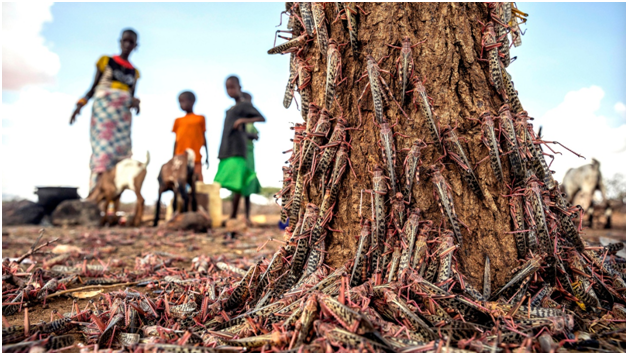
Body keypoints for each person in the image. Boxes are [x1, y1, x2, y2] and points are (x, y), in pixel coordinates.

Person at [70, 28, 141, 193]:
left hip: (122, 118)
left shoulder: (134, 72)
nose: (128, 44)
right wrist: (79, 105)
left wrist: (135, 102)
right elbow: (93, 87)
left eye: (131, 42)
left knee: (121, 156)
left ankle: (111, 200)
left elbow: (131, 95)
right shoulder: (106, 61)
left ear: (135, 45)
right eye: (125, 40)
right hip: (104, 113)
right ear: (120, 41)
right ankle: (95, 192)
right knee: (102, 152)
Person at [214, 76, 265, 225]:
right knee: (232, 183)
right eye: (227, 88)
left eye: (232, 87)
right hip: (228, 149)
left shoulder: (243, 106)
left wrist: (242, 121)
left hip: (240, 151)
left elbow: (261, 119)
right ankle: (234, 215)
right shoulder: (231, 109)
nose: (230, 91)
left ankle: (235, 216)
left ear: (239, 87)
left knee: (239, 184)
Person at [172, 91, 209, 181]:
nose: (181, 104)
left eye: (183, 101)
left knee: (197, 180)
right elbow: (176, 140)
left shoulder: (200, 118)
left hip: (196, 156)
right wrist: (173, 157)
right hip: (180, 157)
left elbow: (204, 138)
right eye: (180, 102)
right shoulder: (178, 121)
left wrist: (207, 156)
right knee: (179, 181)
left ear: (192, 101)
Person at [241, 92, 262, 211]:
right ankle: (234, 215)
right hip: (240, 154)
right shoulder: (238, 120)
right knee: (238, 184)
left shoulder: (250, 122)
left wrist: (250, 135)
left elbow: (256, 135)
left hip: (249, 154)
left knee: (248, 183)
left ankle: (246, 215)